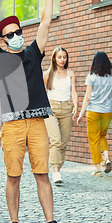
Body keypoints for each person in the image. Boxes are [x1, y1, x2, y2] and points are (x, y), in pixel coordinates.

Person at [0, 0, 67, 223]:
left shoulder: (33, 52)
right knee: (13, 176)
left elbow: (46, 22)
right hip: (13, 125)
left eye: (18, 32)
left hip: (38, 122)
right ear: (3, 39)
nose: (16, 36)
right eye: (11, 34)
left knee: (42, 174)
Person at [76, 51, 112, 177]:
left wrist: (81, 114)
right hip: (107, 111)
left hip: (94, 111)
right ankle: (106, 158)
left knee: (94, 140)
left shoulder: (91, 77)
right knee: (102, 135)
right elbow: (111, 92)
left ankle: (98, 169)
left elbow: (87, 98)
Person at [43, 47, 77, 185]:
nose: (62, 60)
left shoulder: (71, 74)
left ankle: (58, 167)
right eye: (59, 57)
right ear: (54, 58)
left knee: (63, 142)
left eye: (64, 57)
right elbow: (42, 93)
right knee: (55, 140)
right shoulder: (47, 74)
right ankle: (56, 171)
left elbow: (73, 91)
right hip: (51, 108)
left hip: (66, 109)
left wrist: (76, 105)